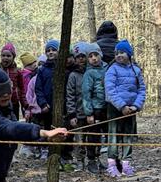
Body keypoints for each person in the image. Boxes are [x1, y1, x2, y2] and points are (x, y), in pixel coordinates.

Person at [104, 39, 146, 177]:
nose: (119, 55)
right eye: (116, 53)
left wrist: (135, 106)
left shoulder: (136, 70)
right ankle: (112, 164)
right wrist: (121, 106)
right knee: (113, 136)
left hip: (130, 109)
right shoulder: (112, 69)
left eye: (122, 52)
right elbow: (110, 90)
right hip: (115, 108)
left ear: (129, 54)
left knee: (128, 136)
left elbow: (141, 89)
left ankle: (126, 164)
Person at [80, 42, 108, 174]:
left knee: (104, 136)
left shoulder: (107, 69)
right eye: (90, 56)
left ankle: (99, 159)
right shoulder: (89, 73)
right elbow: (86, 94)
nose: (94, 58)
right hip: (95, 109)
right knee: (93, 135)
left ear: (100, 55)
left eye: (96, 55)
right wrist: (89, 113)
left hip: (106, 108)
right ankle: (91, 160)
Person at [64, 42, 90, 170]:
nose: (81, 59)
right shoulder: (73, 75)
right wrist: (72, 114)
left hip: (91, 113)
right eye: (78, 57)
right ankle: (80, 160)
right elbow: (70, 96)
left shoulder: (91, 72)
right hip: (78, 114)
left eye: (83, 56)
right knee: (79, 139)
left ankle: (93, 159)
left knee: (92, 138)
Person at [34, 39, 60, 160]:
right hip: (47, 106)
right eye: (48, 50)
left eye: (53, 50)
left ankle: (59, 151)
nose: (50, 52)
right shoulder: (42, 70)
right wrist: (43, 103)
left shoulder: (62, 68)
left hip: (60, 106)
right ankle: (45, 149)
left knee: (59, 128)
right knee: (46, 127)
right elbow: (38, 89)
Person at [0, 42, 25, 117]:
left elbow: (22, 89)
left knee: (14, 122)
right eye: (3, 55)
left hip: (14, 103)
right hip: (0, 103)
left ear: (13, 57)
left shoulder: (17, 71)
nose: (5, 58)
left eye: (8, 56)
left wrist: (25, 104)